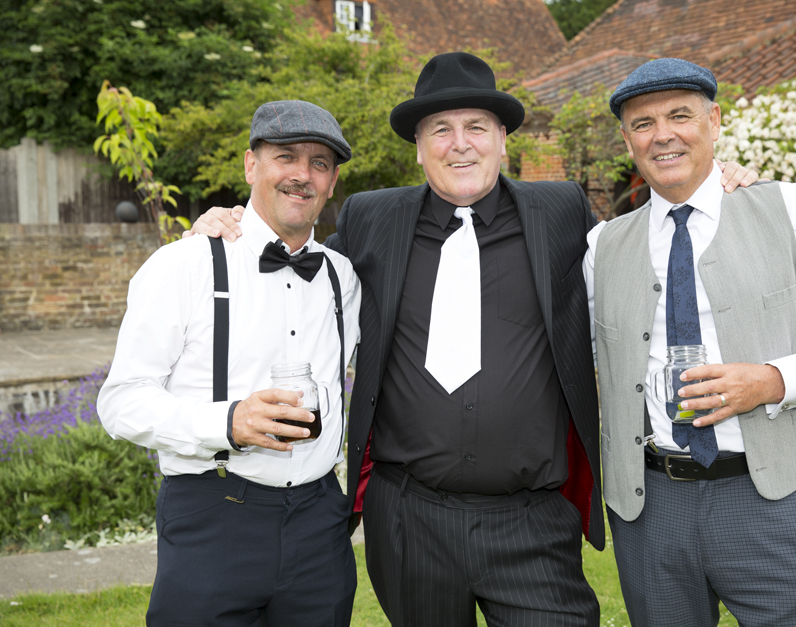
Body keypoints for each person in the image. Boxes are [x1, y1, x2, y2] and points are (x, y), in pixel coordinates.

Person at [192, 52, 757, 626]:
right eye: (441, 129)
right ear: (418, 146)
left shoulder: (560, 212)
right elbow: (295, 265)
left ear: (503, 140)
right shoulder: (371, 219)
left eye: (476, 128)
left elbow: (649, 243)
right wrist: (231, 226)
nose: (459, 144)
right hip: (409, 520)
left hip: (531, 521)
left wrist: (717, 181)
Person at [585, 58, 796, 627]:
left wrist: (770, 381)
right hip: (650, 507)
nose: (663, 134)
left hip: (772, 499)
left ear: (715, 121)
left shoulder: (788, 207)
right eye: (643, 123)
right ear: (627, 139)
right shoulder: (603, 245)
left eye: (680, 115)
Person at [98, 100, 361, 626]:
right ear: (250, 166)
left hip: (319, 526)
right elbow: (121, 401)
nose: (301, 175)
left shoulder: (343, 277)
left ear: (331, 183)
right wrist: (227, 422)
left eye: (319, 163)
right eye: (285, 156)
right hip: (213, 517)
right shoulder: (185, 264)